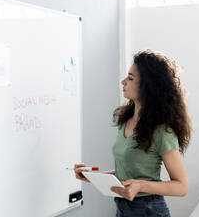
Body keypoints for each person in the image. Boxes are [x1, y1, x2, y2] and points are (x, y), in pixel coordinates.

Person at [75, 50, 192, 217]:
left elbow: (181, 187)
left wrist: (141, 186)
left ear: (148, 86)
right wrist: (92, 176)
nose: (123, 81)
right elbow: (129, 174)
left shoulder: (161, 131)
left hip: (149, 210)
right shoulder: (126, 120)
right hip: (122, 208)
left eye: (130, 78)